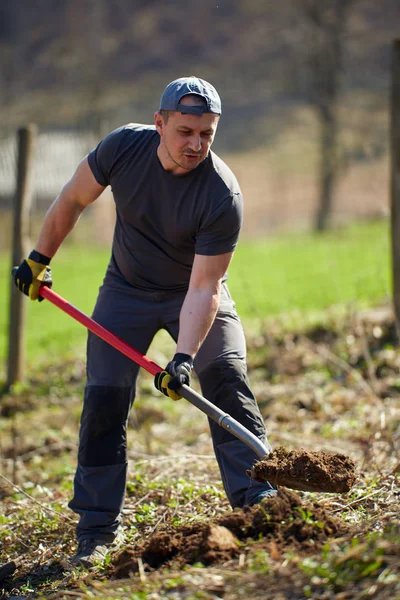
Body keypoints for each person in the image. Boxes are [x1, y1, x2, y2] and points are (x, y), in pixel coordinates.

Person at [14, 76, 276, 567]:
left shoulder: (222, 194)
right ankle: (95, 530)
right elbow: (72, 199)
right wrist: (38, 258)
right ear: (159, 123)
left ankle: (256, 500)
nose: (196, 144)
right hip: (125, 292)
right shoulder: (123, 148)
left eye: (207, 133)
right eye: (185, 132)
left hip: (192, 292)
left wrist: (182, 359)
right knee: (105, 400)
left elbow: (204, 288)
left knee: (225, 375)